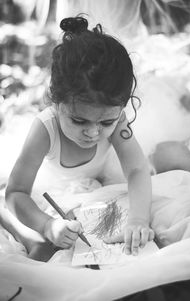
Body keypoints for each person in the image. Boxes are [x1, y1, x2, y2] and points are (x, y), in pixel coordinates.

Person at [2, 16, 154, 261]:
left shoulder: (117, 119)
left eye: (106, 123)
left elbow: (137, 169)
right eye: (79, 121)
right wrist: (47, 226)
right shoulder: (45, 128)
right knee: (41, 243)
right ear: (57, 102)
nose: (93, 133)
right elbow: (16, 192)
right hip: (50, 190)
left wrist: (138, 220)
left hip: (96, 188)